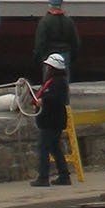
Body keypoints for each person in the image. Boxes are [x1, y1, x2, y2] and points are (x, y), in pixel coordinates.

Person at [30, 51, 72, 187]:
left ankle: (43, 177)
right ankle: (64, 175)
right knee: (55, 148)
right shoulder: (55, 82)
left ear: (52, 68)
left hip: (51, 121)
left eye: (48, 66)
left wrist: (43, 101)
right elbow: (50, 95)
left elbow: (55, 98)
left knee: (43, 148)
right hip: (55, 121)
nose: (46, 68)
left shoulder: (57, 83)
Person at [32, 0, 82, 79]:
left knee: (49, 81)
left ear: (50, 5)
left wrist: (37, 57)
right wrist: (73, 56)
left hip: (49, 55)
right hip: (65, 55)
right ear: (61, 4)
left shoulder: (44, 22)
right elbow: (75, 42)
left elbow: (40, 43)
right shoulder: (68, 21)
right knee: (64, 81)